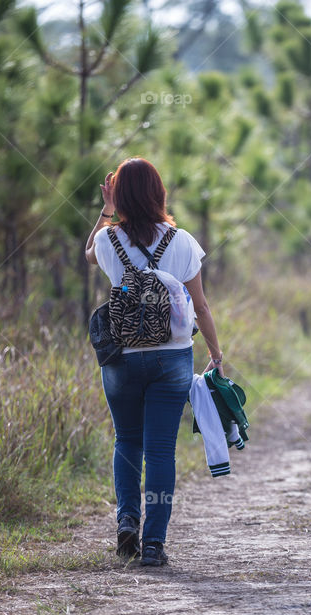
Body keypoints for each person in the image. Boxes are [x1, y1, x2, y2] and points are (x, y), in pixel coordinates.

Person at [84, 157, 225, 566]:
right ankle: (153, 545)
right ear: (159, 192)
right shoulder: (181, 242)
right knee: (161, 449)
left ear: (120, 194)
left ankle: (127, 521)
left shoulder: (109, 241)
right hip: (172, 358)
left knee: (126, 440)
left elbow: (88, 253)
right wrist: (216, 352)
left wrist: (106, 210)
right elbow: (200, 304)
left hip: (121, 358)